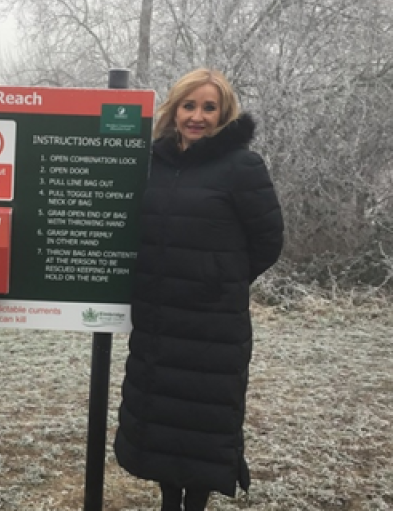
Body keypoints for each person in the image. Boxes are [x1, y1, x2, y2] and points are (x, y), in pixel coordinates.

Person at [114, 68, 284, 510]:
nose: (197, 116)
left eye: (209, 107)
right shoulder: (152, 162)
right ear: (174, 109)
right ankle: (169, 499)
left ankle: (195, 504)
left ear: (223, 113)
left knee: (202, 418)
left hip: (213, 323)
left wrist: (217, 279)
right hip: (158, 318)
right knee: (161, 416)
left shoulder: (241, 166)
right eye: (189, 105)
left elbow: (268, 242)